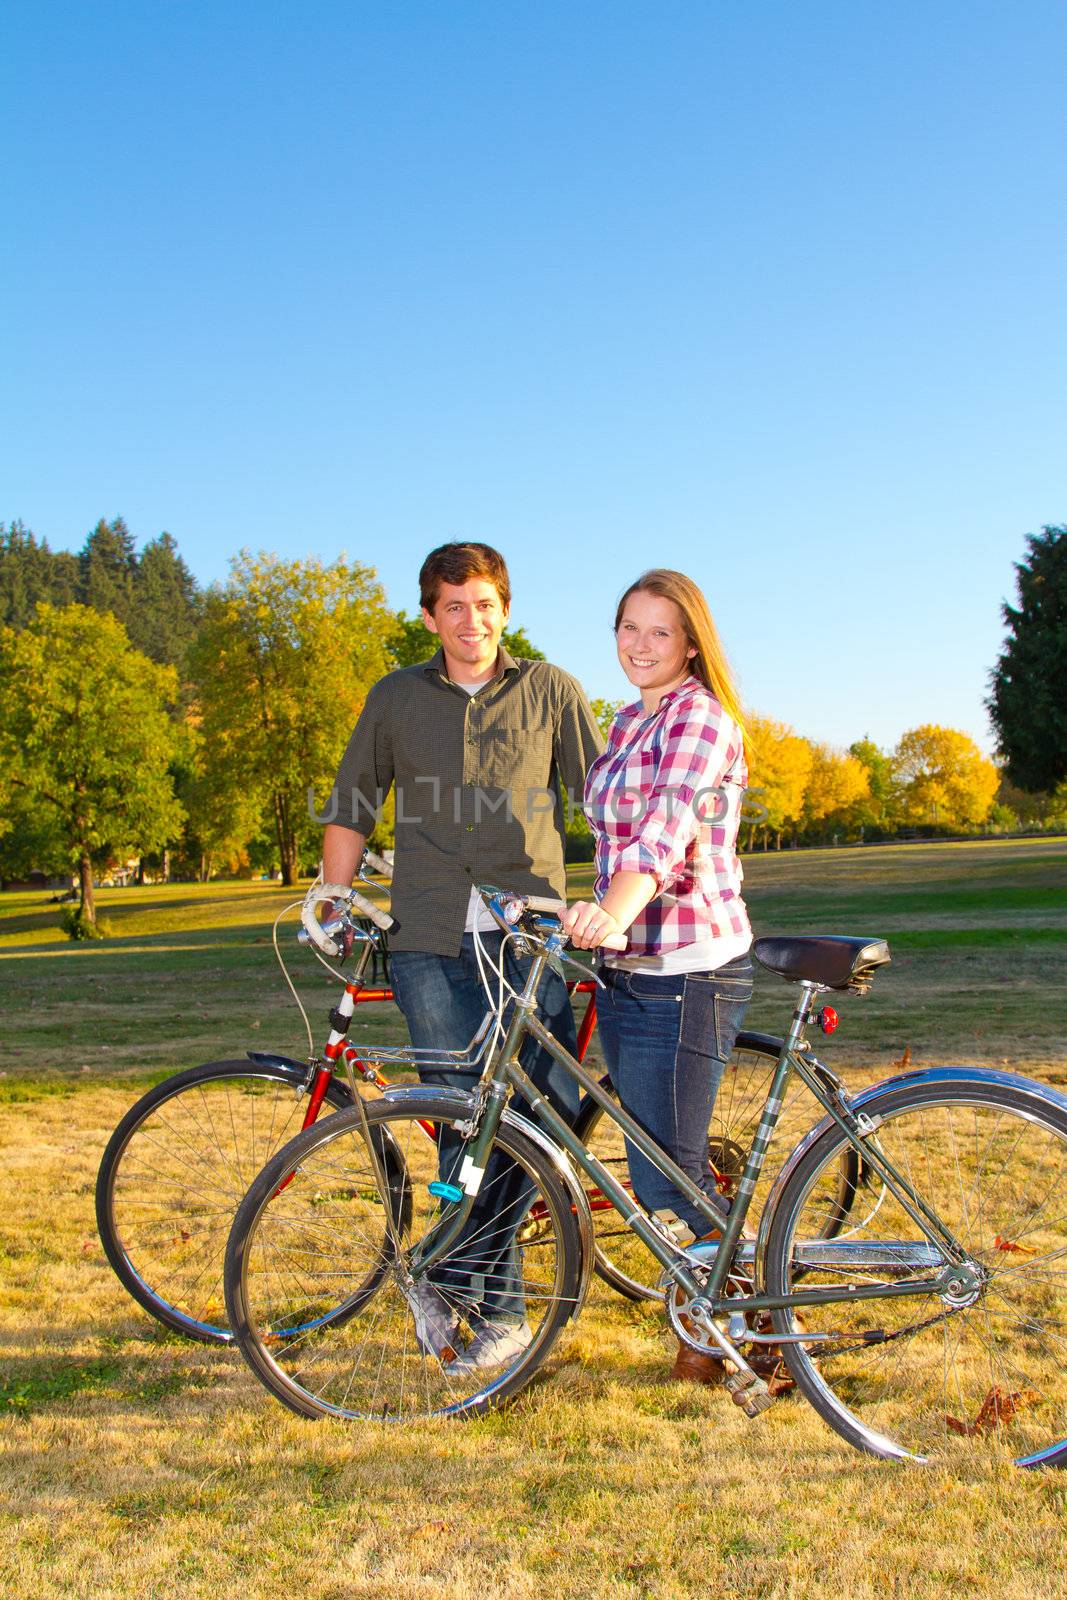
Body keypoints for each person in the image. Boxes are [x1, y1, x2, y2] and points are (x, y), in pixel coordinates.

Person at [320, 541, 603, 1373]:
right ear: (428, 615)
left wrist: (623, 899)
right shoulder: (396, 697)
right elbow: (352, 803)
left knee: (525, 1120)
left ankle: (447, 1276)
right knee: (459, 1120)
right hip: (429, 938)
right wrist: (331, 900)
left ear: (504, 609)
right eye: (452, 606)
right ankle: (502, 1311)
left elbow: (602, 803)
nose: (469, 620)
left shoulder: (550, 689)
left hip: (528, 936)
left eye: (483, 604)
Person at [561, 568, 753, 1385]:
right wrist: (580, 906)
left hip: (684, 967)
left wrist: (613, 907)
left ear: (689, 644)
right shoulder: (625, 720)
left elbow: (661, 837)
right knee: (658, 1166)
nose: (640, 646)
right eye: (628, 628)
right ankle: (719, 1323)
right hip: (629, 969)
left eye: (660, 633)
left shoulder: (699, 720)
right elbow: (611, 838)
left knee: (662, 1174)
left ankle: (749, 1337)